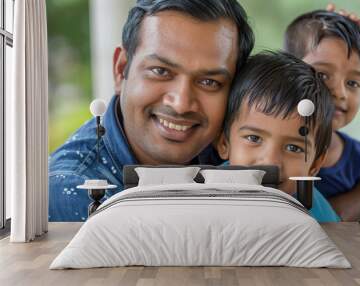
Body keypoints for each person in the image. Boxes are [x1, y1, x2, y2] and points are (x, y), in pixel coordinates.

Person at [48, 0, 254, 221]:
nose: (181, 104)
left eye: (209, 82)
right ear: (120, 70)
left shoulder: (244, 149)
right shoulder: (73, 195)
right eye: (160, 71)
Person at [284, 10, 360, 221]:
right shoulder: (258, 141)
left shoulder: (358, 159)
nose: (340, 92)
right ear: (285, 74)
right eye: (322, 75)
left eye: (352, 83)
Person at [217, 51, 340, 222]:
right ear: (224, 143)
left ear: (314, 165)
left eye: (293, 148)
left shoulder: (319, 219)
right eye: (254, 138)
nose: (271, 161)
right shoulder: (204, 197)